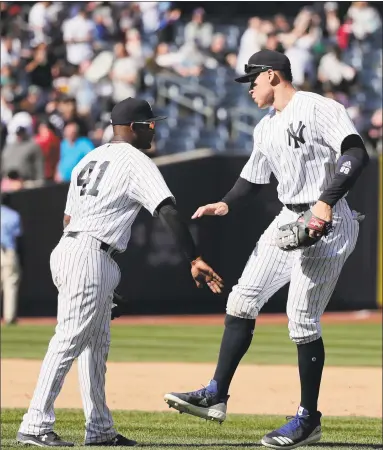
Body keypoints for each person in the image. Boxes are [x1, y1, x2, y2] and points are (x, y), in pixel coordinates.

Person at [164, 50, 369, 450]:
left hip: (330, 219)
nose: (250, 90)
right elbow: (251, 179)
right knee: (241, 300)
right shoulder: (265, 128)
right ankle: (216, 394)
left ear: (272, 76)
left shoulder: (317, 107)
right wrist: (225, 203)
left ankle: (309, 419)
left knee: (301, 320)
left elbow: (355, 152)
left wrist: (325, 202)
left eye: (253, 82)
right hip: (287, 219)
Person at [16, 97, 223, 447]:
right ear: (131, 128)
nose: (153, 128)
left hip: (79, 249)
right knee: (68, 340)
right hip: (89, 253)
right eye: (148, 124)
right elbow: (167, 211)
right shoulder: (134, 160)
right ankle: (34, 423)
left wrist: (102, 279)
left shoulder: (88, 159)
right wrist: (194, 257)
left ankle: (99, 429)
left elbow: (68, 219)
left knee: (95, 347)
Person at [1, 194, 23, 325]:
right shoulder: (13, 215)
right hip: (8, 251)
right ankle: (9, 317)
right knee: (10, 284)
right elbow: (18, 236)